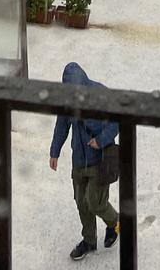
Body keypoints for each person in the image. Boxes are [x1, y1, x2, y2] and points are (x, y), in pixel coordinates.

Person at [49, 62, 120, 260]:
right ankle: (89, 240)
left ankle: (114, 222)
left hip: (100, 160)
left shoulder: (101, 94)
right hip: (79, 159)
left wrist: (101, 140)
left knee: (95, 202)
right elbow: (61, 126)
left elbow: (117, 121)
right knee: (81, 202)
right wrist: (55, 151)